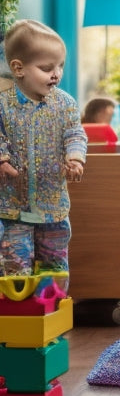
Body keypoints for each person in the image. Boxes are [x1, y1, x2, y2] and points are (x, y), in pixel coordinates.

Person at [0, 19, 87, 277]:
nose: (56, 73)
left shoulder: (65, 104)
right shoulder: (4, 105)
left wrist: (75, 158)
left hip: (53, 208)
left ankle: (52, 309)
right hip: (12, 208)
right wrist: (2, 158)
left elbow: (74, 132)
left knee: (55, 267)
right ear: (18, 68)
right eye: (46, 67)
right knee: (14, 266)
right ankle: (18, 313)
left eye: (60, 66)